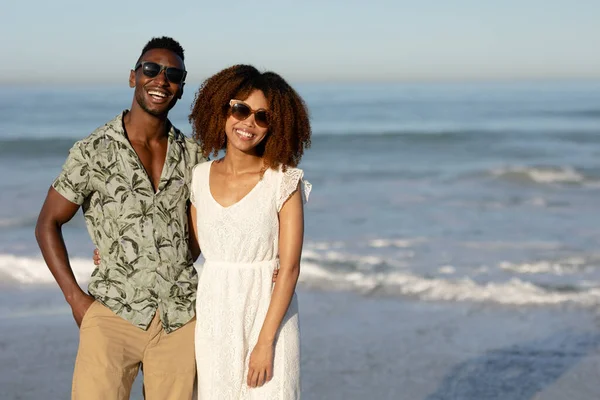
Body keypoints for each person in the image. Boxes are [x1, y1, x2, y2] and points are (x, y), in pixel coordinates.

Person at [35, 37, 204, 400]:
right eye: (152, 69)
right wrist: (76, 300)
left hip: (179, 317)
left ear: (180, 87)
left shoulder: (194, 155)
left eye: (173, 74)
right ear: (133, 77)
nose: (161, 80)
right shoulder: (93, 150)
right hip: (112, 312)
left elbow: (206, 225)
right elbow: (48, 222)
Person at [188, 64, 311, 399]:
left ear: (276, 126)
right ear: (222, 111)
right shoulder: (198, 177)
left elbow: (289, 268)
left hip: (269, 317)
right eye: (240, 109)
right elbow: (188, 250)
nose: (248, 123)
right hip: (215, 313)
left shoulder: (283, 181)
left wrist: (265, 342)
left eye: (262, 116)